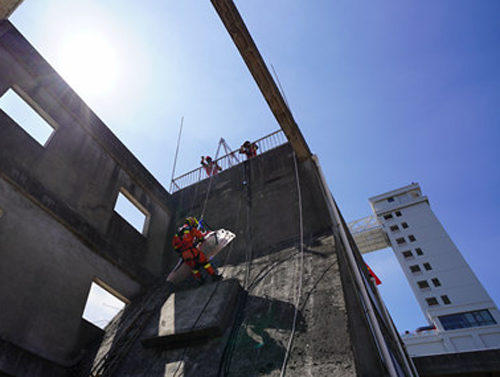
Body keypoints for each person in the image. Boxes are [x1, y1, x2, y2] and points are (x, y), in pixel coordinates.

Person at [172, 217, 222, 283]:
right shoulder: (190, 229)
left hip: (184, 255)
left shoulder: (177, 233)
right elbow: (201, 237)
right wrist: (198, 241)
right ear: (192, 223)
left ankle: (201, 280)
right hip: (192, 251)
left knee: (194, 268)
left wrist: (182, 251)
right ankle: (214, 276)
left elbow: (175, 246)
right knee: (205, 263)